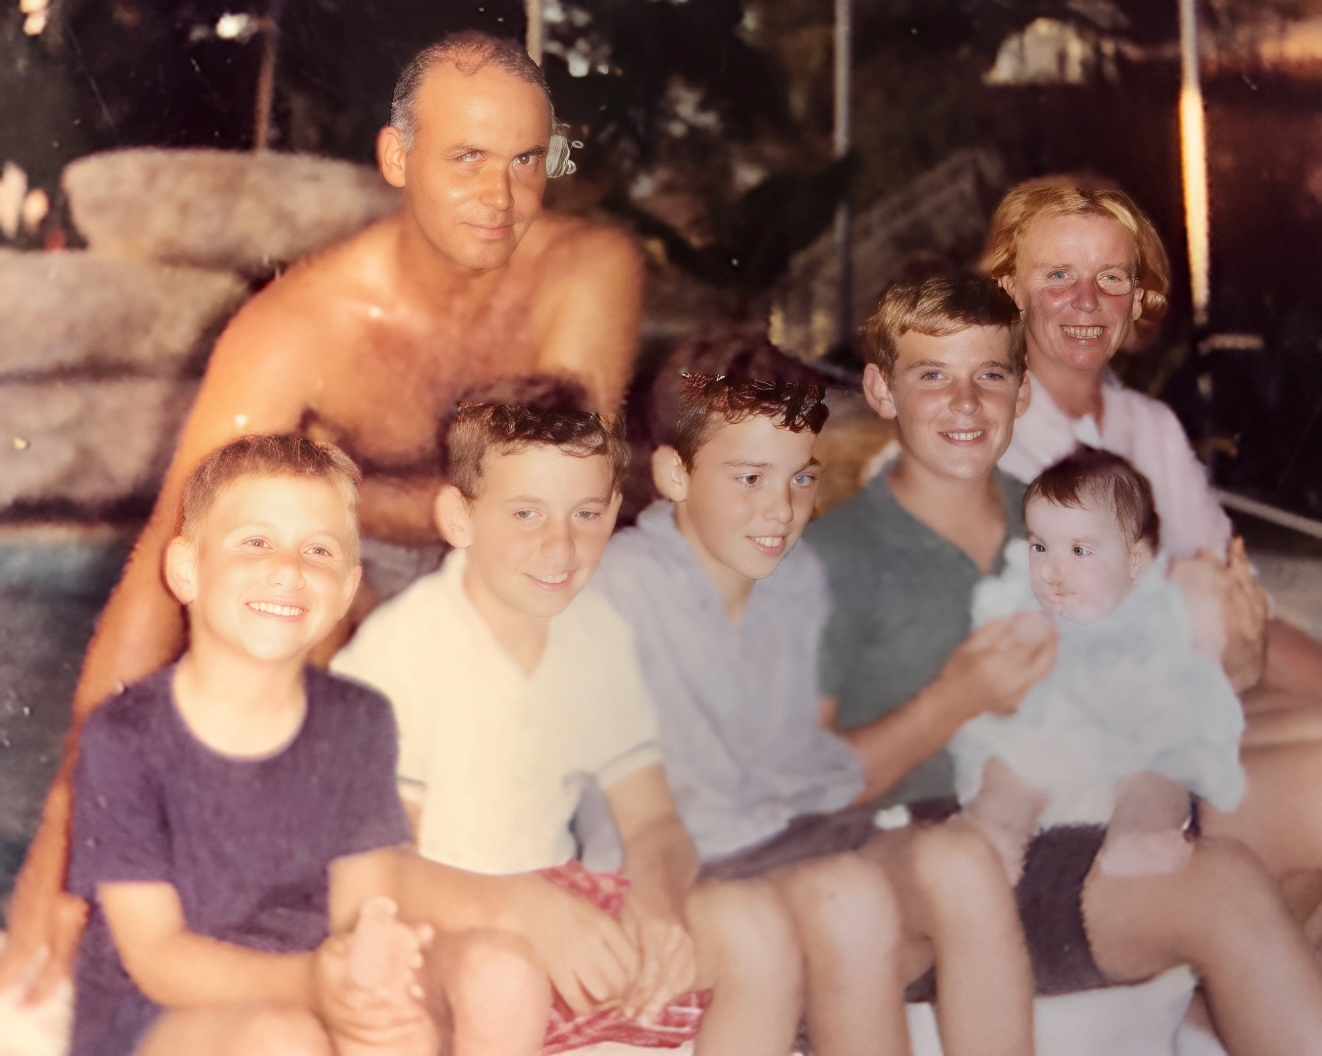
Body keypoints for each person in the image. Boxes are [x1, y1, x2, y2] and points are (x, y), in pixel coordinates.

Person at [0, 30, 645, 1001]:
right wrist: (63, 836)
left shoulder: (587, 270)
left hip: (521, 575)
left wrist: (360, 490)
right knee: (267, 597)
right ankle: (306, 911)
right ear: (397, 160)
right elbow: (163, 567)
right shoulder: (300, 326)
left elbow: (553, 508)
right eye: (464, 158)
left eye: (524, 162)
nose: (498, 196)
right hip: (359, 586)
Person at [808, 276, 1322, 1055]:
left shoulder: (1060, 516)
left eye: (990, 376)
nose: (965, 403)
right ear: (881, 389)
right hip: (941, 855)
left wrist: (1225, 656)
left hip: (1097, 797)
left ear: (1020, 395)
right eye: (932, 376)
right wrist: (954, 700)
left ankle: (1216, 1020)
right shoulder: (834, 559)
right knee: (1226, 889)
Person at [578, 360, 1036, 1056]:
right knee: (847, 895)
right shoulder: (621, 591)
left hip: (784, 844)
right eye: (749, 478)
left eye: (801, 478)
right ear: (675, 477)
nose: (782, 507)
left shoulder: (794, 580)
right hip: (674, 871)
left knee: (964, 862)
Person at [333, 402, 810, 1055]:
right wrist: (521, 909)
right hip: (432, 924)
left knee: (753, 924)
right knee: (505, 975)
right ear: (460, 518)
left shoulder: (593, 637)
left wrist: (659, 901)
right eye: (525, 514)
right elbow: (378, 873)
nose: (560, 546)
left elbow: (654, 823)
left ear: (613, 512)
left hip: (545, 894)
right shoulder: (401, 652)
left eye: (585, 515)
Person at [68, 434, 490, 1056]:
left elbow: (362, 906)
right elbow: (157, 957)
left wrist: (370, 983)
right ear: (187, 570)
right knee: (281, 1039)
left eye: (318, 550)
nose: (289, 570)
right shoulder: (125, 738)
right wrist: (313, 988)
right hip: (156, 1011)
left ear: (347, 588)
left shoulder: (358, 720)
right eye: (256, 542)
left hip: (312, 977)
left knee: (410, 1031)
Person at [987, 183, 1322, 712]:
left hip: (1201, 695)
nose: (1087, 300)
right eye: (1058, 275)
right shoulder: (982, 441)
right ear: (1010, 290)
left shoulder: (1152, 428)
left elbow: (1243, 607)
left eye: (1112, 277)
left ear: (1137, 298)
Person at [954, 447, 1245, 892]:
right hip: (1040, 750)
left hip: (1130, 759)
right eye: (1040, 546)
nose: (1052, 569)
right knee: (1006, 775)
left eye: (1079, 551)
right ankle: (995, 839)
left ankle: (1139, 840)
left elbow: (1194, 694)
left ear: (1137, 562)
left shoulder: (1158, 623)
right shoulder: (1025, 606)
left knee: (1160, 780)